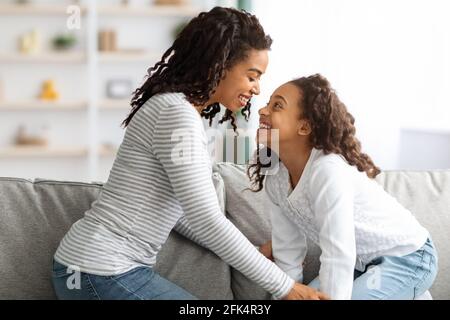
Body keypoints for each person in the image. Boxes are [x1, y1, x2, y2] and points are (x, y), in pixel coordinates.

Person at [51, 7, 327, 300]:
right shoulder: (176, 114)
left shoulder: (177, 110)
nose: (257, 88)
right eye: (252, 76)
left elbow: (188, 215)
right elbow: (207, 219)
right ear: (218, 65)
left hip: (95, 270)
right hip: (101, 270)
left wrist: (253, 253)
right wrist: (285, 287)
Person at [250, 74, 438, 300]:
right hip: (359, 264)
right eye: (267, 104)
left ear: (305, 126)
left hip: (407, 258)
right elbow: (287, 251)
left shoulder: (327, 170)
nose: (263, 110)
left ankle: (407, 288)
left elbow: (337, 255)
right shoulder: (275, 175)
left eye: (277, 105)